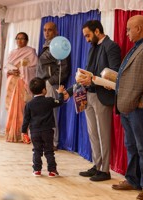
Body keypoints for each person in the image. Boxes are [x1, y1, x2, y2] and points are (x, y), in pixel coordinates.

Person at [65, 20, 121, 181]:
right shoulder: (93, 48)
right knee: (93, 133)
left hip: (103, 96)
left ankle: (105, 170)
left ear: (97, 31)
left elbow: (114, 74)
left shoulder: (112, 46)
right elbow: (89, 72)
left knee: (103, 134)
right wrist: (71, 90)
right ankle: (97, 165)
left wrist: (93, 80)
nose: (87, 39)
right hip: (88, 94)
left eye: (88, 35)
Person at [112, 15, 143, 200]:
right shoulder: (135, 48)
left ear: (139, 28)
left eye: (129, 29)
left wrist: (134, 100)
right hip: (127, 106)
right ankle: (133, 179)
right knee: (131, 145)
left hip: (138, 107)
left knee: (141, 147)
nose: (127, 33)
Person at [36, 21, 70, 150]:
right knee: (43, 114)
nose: (46, 32)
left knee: (52, 114)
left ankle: (53, 142)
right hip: (43, 84)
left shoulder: (59, 45)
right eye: (44, 30)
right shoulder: (46, 45)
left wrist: (50, 82)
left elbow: (63, 69)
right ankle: (44, 140)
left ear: (56, 31)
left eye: (49, 30)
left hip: (51, 84)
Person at [21, 77, 64, 177]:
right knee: (49, 151)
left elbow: (26, 119)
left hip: (34, 132)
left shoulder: (29, 104)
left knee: (37, 150)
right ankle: (52, 171)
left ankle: (37, 170)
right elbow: (60, 102)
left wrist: (24, 132)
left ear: (31, 91)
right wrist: (60, 93)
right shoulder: (49, 101)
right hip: (47, 131)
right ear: (44, 90)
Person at [5, 32, 38, 142]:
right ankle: (12, 133)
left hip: (22, 82)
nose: (19, 41)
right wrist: (10, 71)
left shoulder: (30, 51)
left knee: (21, 109)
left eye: (22, 39)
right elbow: (6, 67)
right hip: (12, 82)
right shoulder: (12, 52)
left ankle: (22, 134)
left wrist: (23, 69)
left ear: (27, 40)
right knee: (12, 109)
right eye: (17, 38)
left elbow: (34, 68)